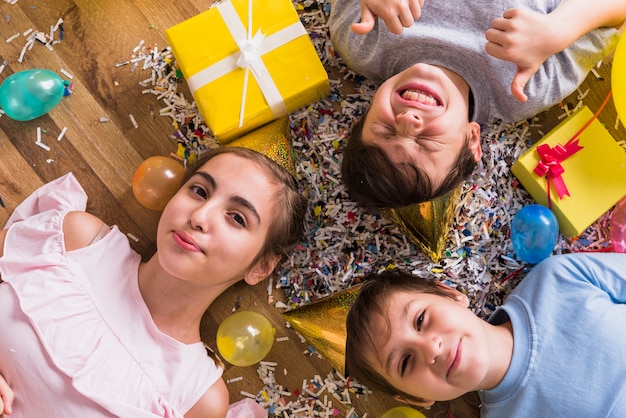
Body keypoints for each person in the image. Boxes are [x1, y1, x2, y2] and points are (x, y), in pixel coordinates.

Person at [0, 146, 307, 418]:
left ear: (261, 267)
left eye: (237, 218)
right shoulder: (75, 241)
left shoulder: (198, 399)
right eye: (199, 191)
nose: (200, 215)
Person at [328, 0, 625, 208]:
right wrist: (558, 29)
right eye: (427, 141)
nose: (408, 121)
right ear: (472, 139)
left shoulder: (361, 41)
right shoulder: (525, 88)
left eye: (385, 130)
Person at [344, 253, 626, 416]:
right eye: (405, 362)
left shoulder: (559, 278)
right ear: (417, 400)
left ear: (450, 294)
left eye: (421, 319)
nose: (431, 348)